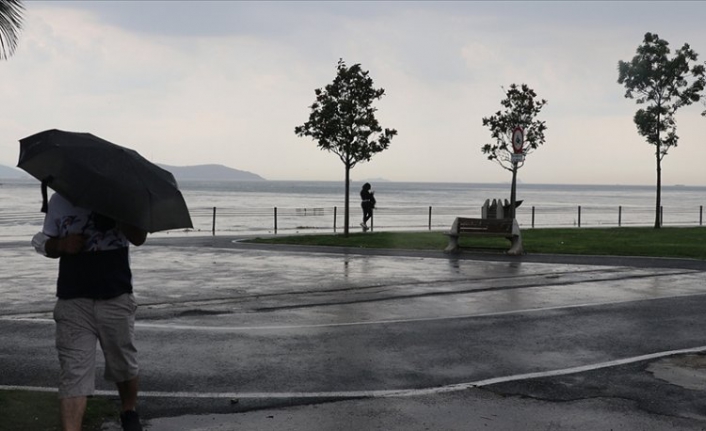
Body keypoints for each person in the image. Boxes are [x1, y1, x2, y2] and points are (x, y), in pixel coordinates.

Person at [31, 192, 147, 431]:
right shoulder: (59, 201)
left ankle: (128, 411)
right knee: (73, 373)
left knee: (123, 363)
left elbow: (139, 238)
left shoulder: (122, 200)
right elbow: (45, 242)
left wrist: (118, 216)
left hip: (115, 296)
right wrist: (62, 245)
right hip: (73, 300)